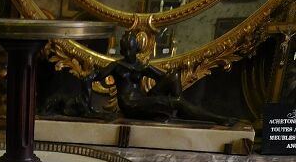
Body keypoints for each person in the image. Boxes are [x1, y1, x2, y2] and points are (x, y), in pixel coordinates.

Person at [89, 30, 236, 125]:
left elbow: (165, 78)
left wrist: (162, 81)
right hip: (130, 105)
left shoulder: (141, 66)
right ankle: (216, 119)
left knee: (174, 76)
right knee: (176, 103)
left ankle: (177, 105)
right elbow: (95, 77)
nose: (126, 53)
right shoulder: (117, 66)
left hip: (142, 99)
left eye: (130, 49)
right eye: (124, 49)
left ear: (136, 49)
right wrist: (89, 79)